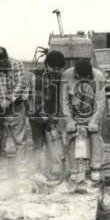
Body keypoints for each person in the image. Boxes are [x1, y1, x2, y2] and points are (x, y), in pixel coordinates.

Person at [60, 56, 107, 182]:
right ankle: (74, 170)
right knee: (71, 137)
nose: (83, 80)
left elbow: (101, 102)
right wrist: (69, 120)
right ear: (76, 73)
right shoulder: (67, 75)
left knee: (95, 136)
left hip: (92, 111)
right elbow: (64, 100)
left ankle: (95, 168)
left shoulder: (99, 76)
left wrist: (94, 121)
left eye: (86, 78)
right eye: (81, 77)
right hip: (74, 111)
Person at [29, 50, 67, 179]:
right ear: (46, 65)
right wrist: (48, 118)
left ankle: (52, 169)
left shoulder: (59, 77)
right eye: (53, 68)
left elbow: (59, 98)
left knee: (53, 143)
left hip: (51, 115)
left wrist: (56, 116)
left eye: (59, 69)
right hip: (37, 115)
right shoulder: (37, 78)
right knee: (39, 144)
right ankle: (36, 172)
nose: (56, 71)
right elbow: (37, 102)